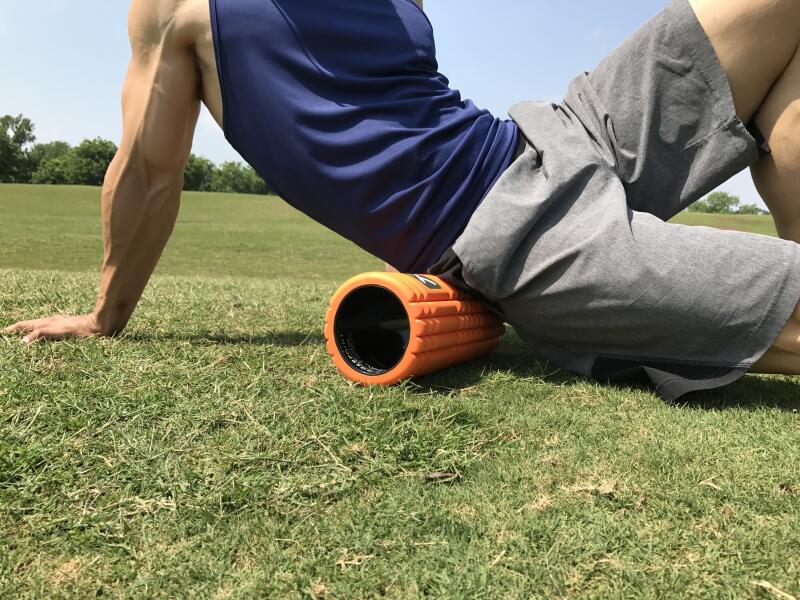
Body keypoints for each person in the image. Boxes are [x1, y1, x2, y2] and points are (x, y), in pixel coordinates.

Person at [5, 0, 800, 403]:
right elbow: (148, 171)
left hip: (559, 132)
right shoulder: (181, 10)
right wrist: (105, 314)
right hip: (517, 234)